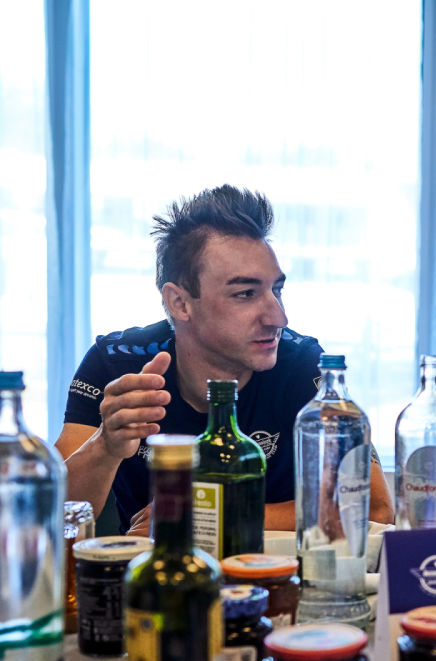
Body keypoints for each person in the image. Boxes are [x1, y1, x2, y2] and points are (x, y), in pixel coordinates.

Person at [55, 185, 393, 534]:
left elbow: (377, 508)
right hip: (152, 567)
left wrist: (211, 513)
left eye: (276, 290)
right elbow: (55, 513)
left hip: (271, 566)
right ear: (179, 303)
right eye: (245, 293)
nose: (278, 318)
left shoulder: (305, 366)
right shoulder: (117, 364)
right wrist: (106, 447)